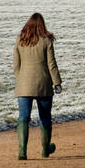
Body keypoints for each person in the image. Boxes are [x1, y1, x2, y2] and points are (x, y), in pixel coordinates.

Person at [12, 12, 63, 160]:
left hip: (24, 85)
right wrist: (57, 82)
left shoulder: (20, 40)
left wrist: (21, 79)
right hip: (44, 84)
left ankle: (22, 152)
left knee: (23, 118)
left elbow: (16, 64)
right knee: (45, 117)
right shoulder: (46, 41)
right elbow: (51, 64)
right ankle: (45, 149)